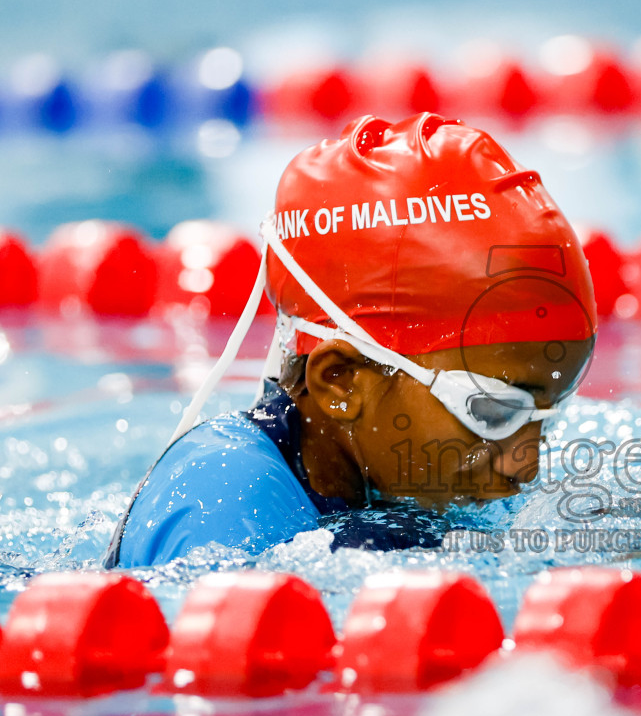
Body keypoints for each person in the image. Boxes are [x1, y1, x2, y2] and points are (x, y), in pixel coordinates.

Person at [106, 113, 598, 568]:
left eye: (546, 417)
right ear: (341, 380)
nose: (526, 468)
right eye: (492, 412)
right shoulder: (221, 507)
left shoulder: (391, 476)